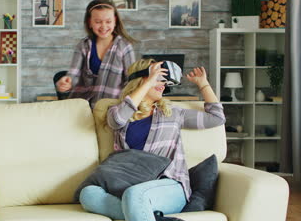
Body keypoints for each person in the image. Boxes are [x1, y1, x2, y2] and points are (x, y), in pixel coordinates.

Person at [79, 59, 226, 221]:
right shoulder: (117, 111)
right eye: (159, 79)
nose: (163, 85)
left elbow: (217, 117)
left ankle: (139, 211)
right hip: (126, 184)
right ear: (143, 79)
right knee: (88, 194)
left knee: (134, 195)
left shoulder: (173, 113)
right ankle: (151, 217)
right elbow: (117, 120)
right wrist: (149, 82)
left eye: (165, 82)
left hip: (167, 186)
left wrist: (203, 84)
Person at [55, 0, 136, 108]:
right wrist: (66, 83)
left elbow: (131, 81)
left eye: (108, 21)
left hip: (111, 108)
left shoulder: (125, 47)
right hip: (82, 107)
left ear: (115, 21)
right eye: (98, 22)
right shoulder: (83, 46)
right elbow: (74, 74)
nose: (103, 26)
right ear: (90, 22)